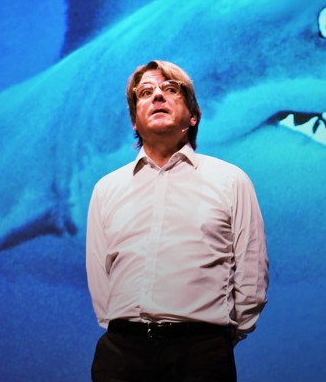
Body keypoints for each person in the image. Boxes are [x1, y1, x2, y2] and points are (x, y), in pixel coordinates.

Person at [86, 60, 268, 382]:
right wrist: (124, 329)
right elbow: (101, 282)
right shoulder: (106, 189)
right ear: (133, 120)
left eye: (171, 90)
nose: (158, 96)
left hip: (202, 352)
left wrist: (219, 338)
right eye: (145, 92)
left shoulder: (231, 181)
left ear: (193, 115)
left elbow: (252, 275)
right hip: (121, 353)